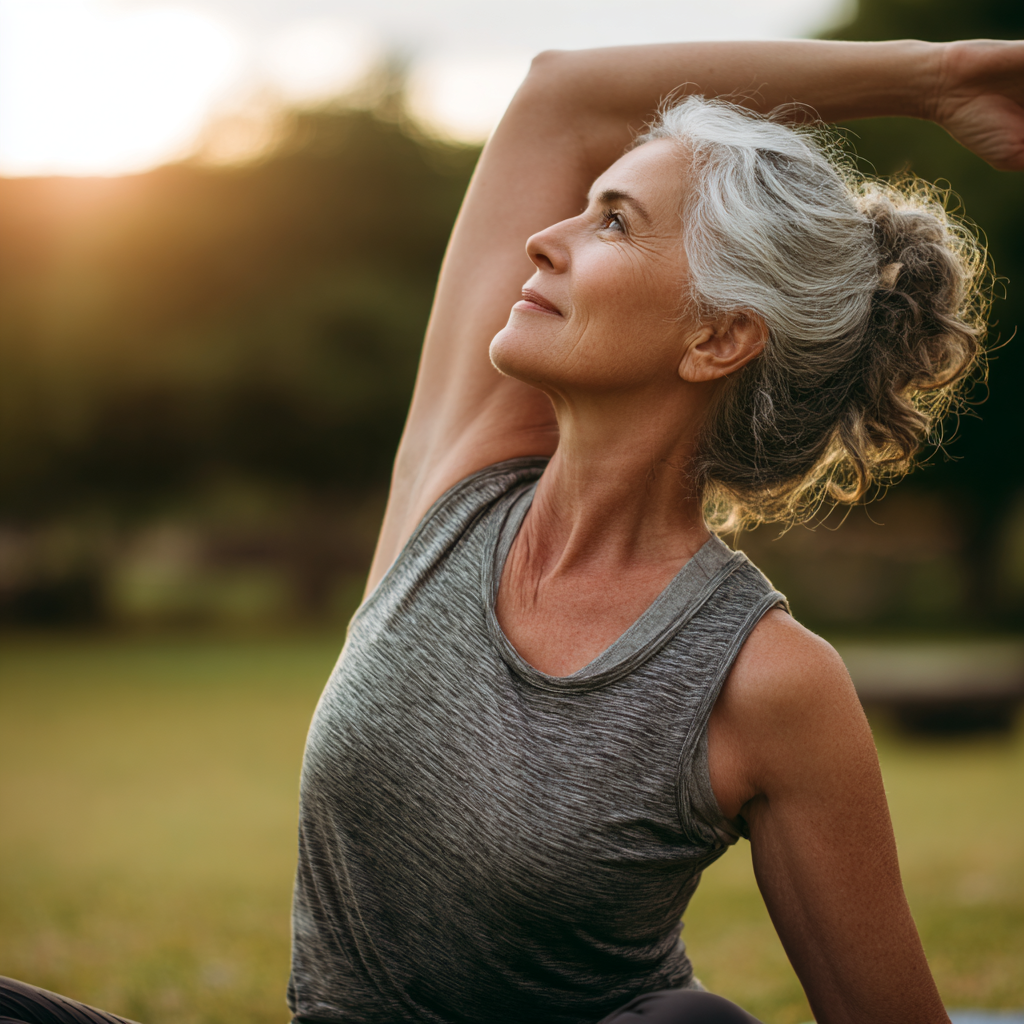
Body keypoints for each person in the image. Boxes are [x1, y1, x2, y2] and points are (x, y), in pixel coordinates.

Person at [3, 35, 1023, 1024]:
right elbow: (560, 95)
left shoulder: (762, 679)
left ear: (717, 336)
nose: (547, 237)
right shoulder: (462, 477)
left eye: (613, 223)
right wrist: (934, 76)